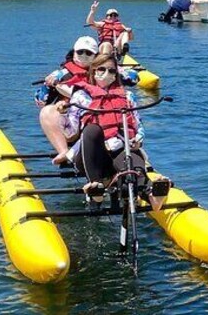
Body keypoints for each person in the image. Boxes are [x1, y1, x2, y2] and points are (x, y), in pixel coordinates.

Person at [64, 53, 170, 211]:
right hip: (92, 156)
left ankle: (151, 195)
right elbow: (70, 133)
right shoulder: (80, 97)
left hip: (119, 149)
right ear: (93, 72)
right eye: (101, 69)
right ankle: (96, 188)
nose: (107, 74)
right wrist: (63, 114)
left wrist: (138, 139)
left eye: (112, 71)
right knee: (91, 130)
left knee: (131, 158)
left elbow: (137, 123)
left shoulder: (127, 97)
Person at [37, 36, 98, 165]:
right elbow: (40, 100)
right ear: (74, 53)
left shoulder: (104, 71)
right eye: (80, 52)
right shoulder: (60, 74)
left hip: (96, 120)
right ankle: (63, 151)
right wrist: (48, 85)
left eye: (89, 53)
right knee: (46, 111)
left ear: (95, 56)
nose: (84, 55)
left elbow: (133, 78)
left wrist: (118, 73)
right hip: (69, 125)